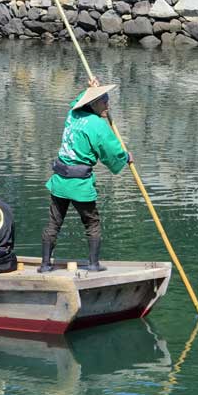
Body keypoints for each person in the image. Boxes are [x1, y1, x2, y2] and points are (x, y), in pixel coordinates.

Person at [38, 80, 132, 272]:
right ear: (94, 104)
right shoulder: (97, 125)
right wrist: (126, 157)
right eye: (104, 101)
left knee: (54, 222)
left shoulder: (73, 115)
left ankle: (46, 264)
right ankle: (93, 264)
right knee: (92, 222)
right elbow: (111, 152)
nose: (108, 105)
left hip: (60, 181)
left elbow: (77, 101)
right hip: (79, 183)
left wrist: (91, 89)